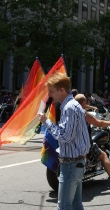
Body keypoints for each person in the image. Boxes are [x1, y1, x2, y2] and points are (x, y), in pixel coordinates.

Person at [38, 72, 90, 210]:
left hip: (70, 164)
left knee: (63, 206)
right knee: (76, 205)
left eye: (51, 91)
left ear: (62, 90)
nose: (49, 95)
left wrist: (46, 122)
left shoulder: (69, 108)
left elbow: (65, 136)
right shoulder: (73, 106)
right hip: (76, 162)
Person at [75, 94, 110, 189]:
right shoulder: (83, 113)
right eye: (86, 102)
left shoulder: (70, 111)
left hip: (74, 143)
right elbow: (99, 123)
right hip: (85, 144)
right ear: (84, 102)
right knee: (104, 156)